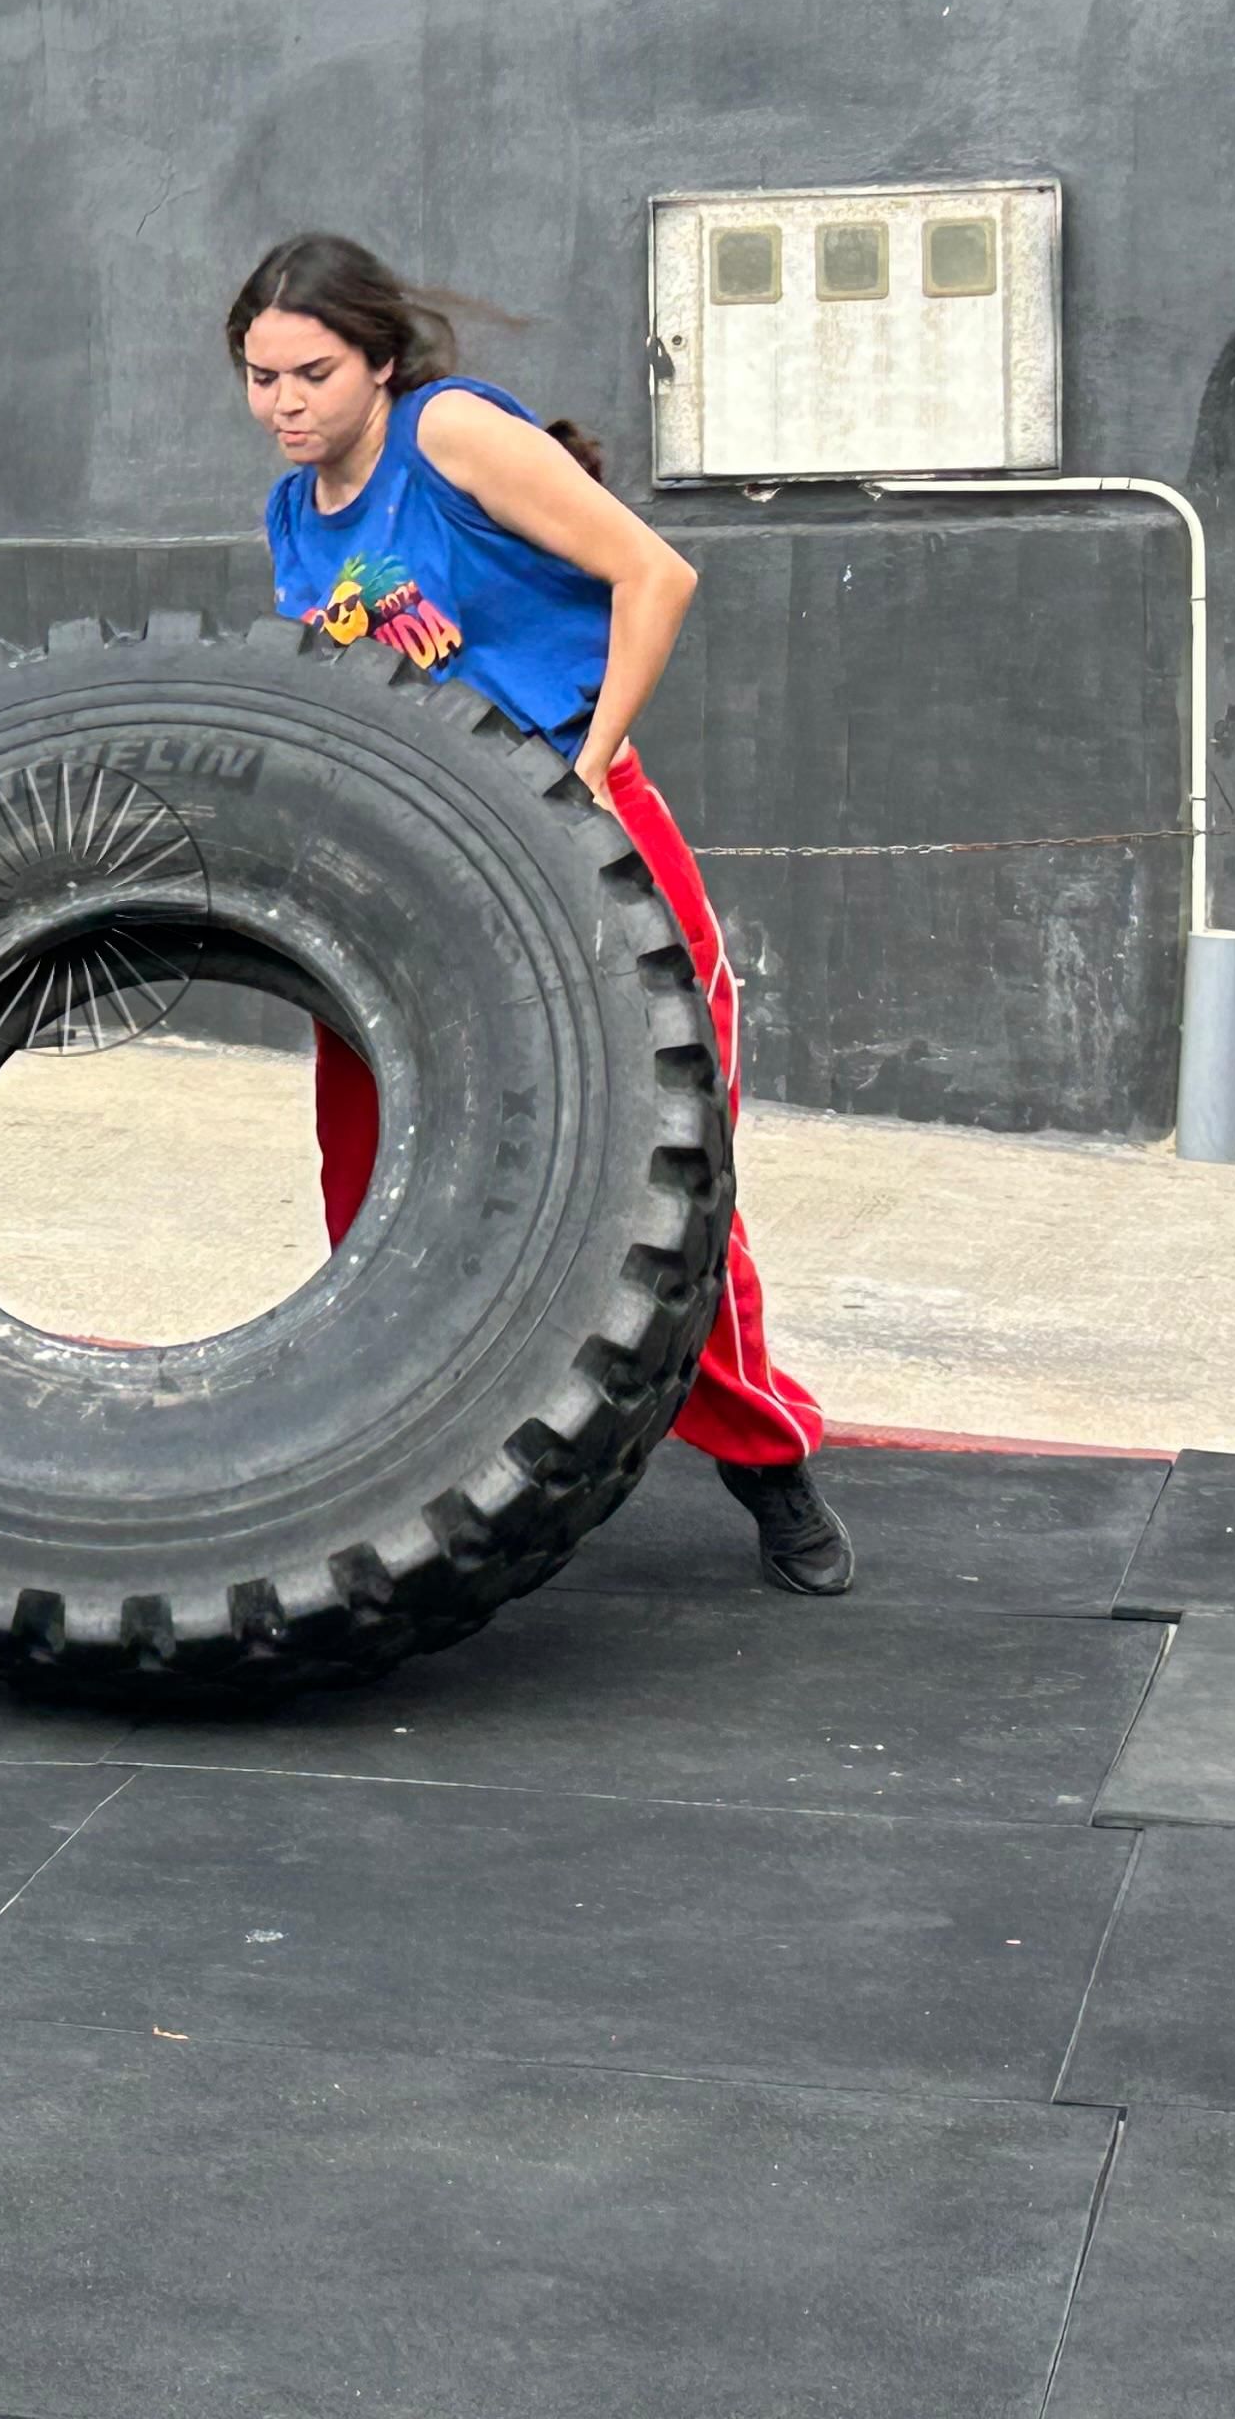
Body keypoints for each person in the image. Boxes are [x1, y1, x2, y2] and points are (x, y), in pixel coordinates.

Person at [234, 233, 853, 1592]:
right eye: (261, 376)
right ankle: (395, 1479)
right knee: (371, 1177)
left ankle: (770, 1465)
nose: (283, 401)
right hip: (421, 864)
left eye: (313, 373)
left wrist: (585, 766)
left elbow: (657, 576)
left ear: (381, 361)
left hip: (577, 836)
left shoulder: (452, 434)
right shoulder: (294, 511)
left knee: (663, 1184)